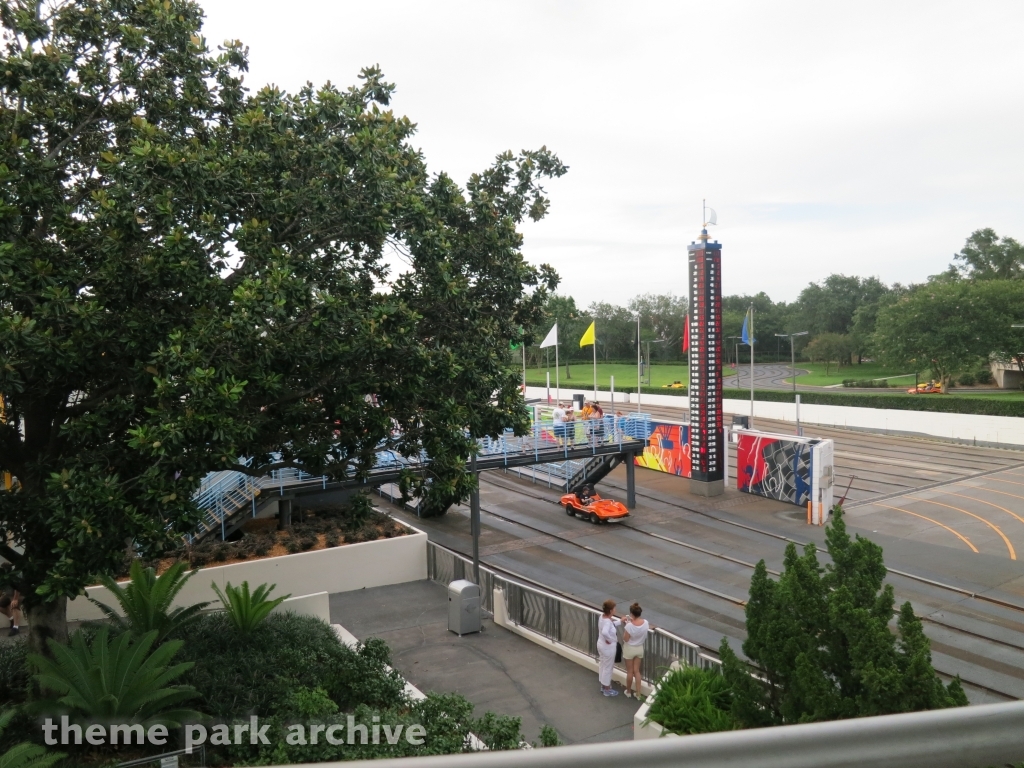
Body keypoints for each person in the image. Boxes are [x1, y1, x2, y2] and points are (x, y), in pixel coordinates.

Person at [621, 602, 650, 699]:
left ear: (631, 614)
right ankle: (638, 693)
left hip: (629, 649)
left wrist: (627, 624)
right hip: (639, 648)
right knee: (637, 671)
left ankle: (628, 691)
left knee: (630, 671)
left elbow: (626, 639)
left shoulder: (629, 626)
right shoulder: (645, 622)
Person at [597, 599, 621, 696]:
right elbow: (605, 632)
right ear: (610, 610)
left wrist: (620, 621)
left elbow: (610, 625)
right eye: (614, 608)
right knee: (608, 667)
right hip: (608, 647)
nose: (615, 610)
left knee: (603, 664)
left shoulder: (602, 617)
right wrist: (610, 639)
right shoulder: (607, 621)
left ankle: (603, 685)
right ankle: (607, 688)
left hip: (601, 645)